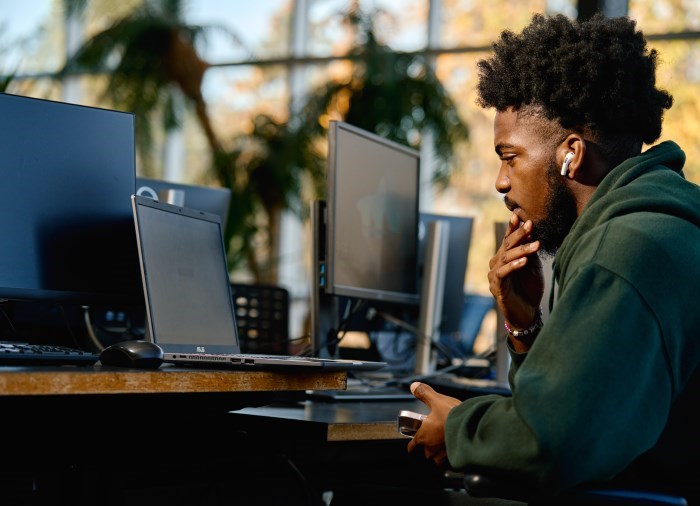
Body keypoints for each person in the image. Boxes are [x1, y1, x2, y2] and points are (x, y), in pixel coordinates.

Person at [407, 12, 700, 503]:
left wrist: (457, 427)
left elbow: (550, 443)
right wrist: (524, 329)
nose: (501, 182)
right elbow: (576, 407)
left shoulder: (625, 252)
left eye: (510, 156)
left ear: (570, 153)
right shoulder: (654, 227)